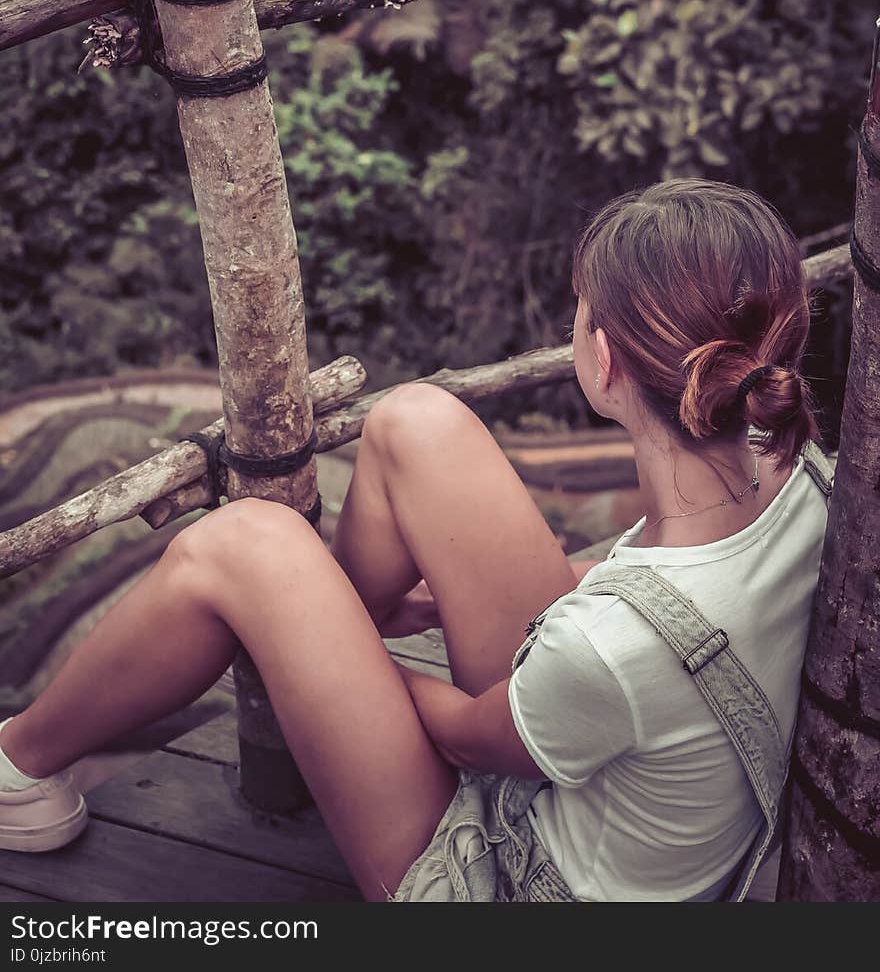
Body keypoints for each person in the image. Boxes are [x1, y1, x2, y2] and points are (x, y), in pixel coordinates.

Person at [0, 178, 829, 902]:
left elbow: (473, 734)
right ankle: (291, 635)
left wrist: (344, 655)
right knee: (414, 422)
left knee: (243, 543)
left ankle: (19, 769)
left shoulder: (609, 647)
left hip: (506, 885)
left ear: (603, 360)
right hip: (614, 765)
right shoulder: (799, 472)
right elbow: (641, 590)